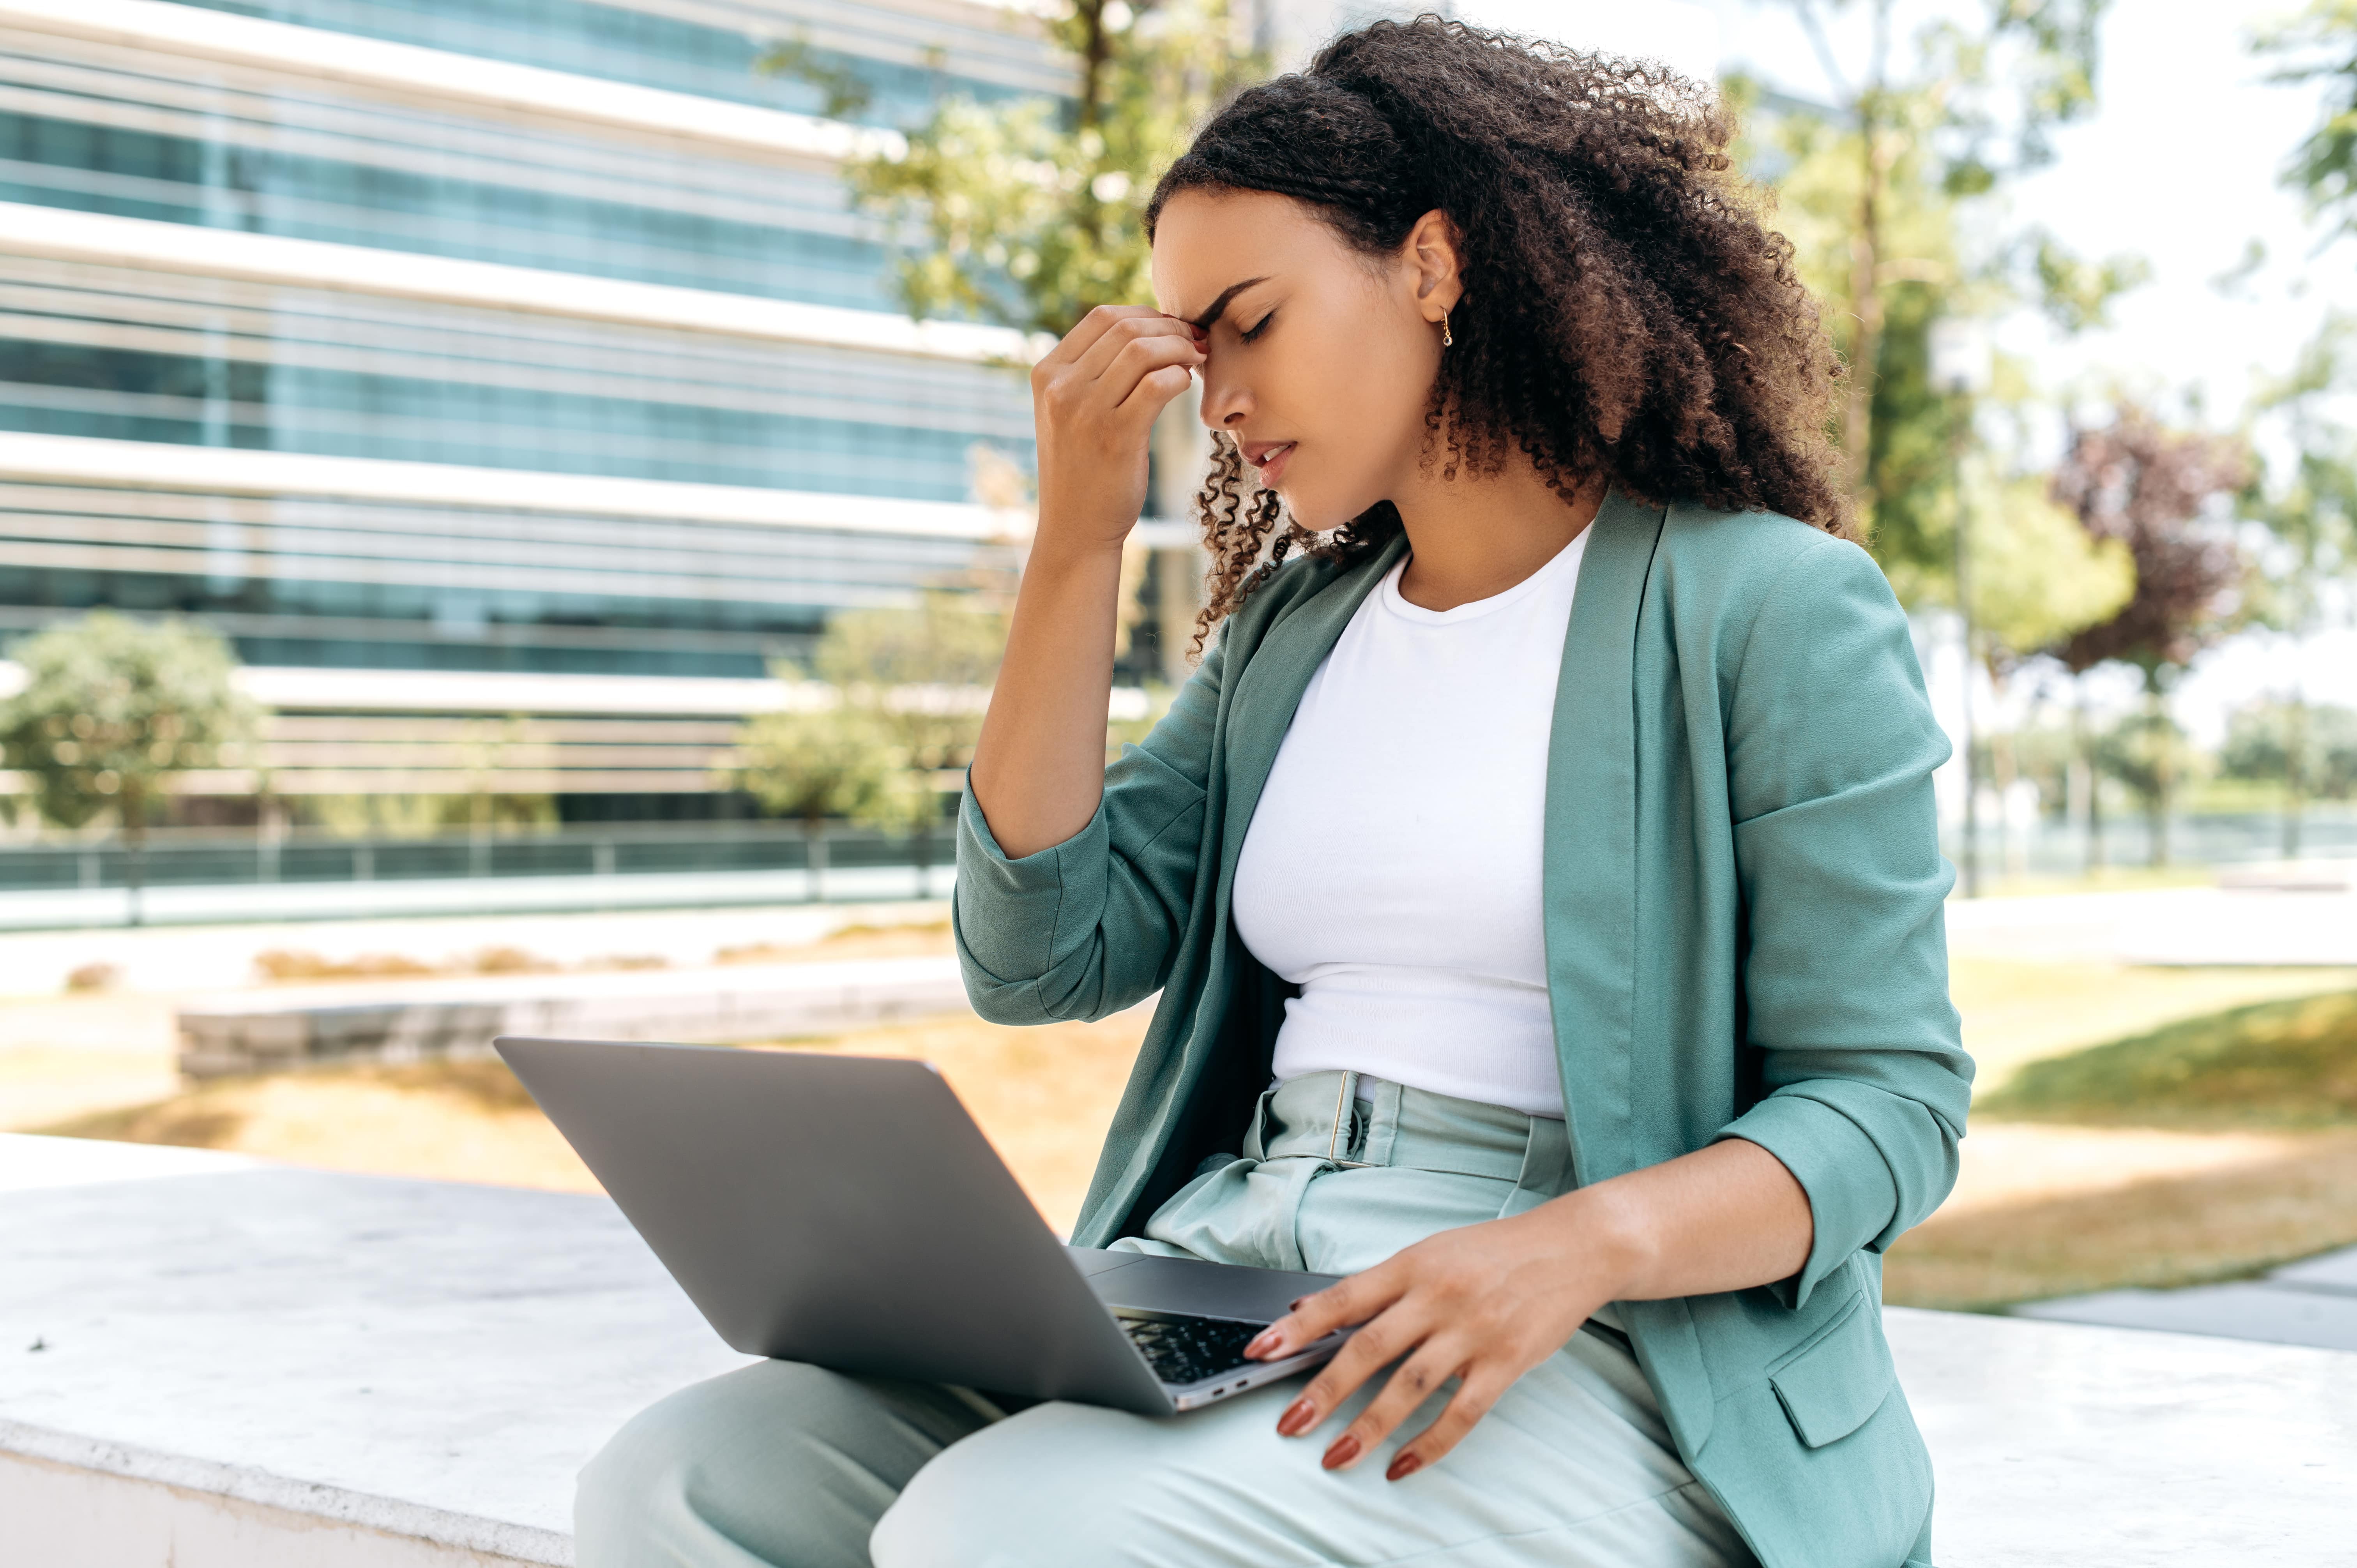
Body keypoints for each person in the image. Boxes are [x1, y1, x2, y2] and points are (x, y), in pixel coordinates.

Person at [576, 15, 1970, 1568]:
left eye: (1248, 320)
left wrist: (1567, 1249)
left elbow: (1891, 1106)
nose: (1216, 397)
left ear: (1432, 268)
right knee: (682, 1481)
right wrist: (1077, 544)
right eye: (1190, 350)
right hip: (1236, 1265)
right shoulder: (1291, 636)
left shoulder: (1767, 608)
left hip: (1598, 1337)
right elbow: (1037, 958)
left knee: (1005, 1532)